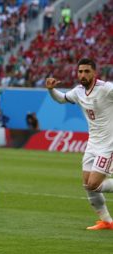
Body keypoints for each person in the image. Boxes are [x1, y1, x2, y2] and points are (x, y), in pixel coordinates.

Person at [46, 58, 113, 230]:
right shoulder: (78, 91)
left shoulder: (106, 89)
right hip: (92, 144)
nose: (82, 75)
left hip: (108, 145)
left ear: (94, 73)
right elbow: (61, 99)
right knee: (87, 184)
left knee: (94, 185)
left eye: (86, 71)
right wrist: (51, 90)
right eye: (80, 71)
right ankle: (106, 221)